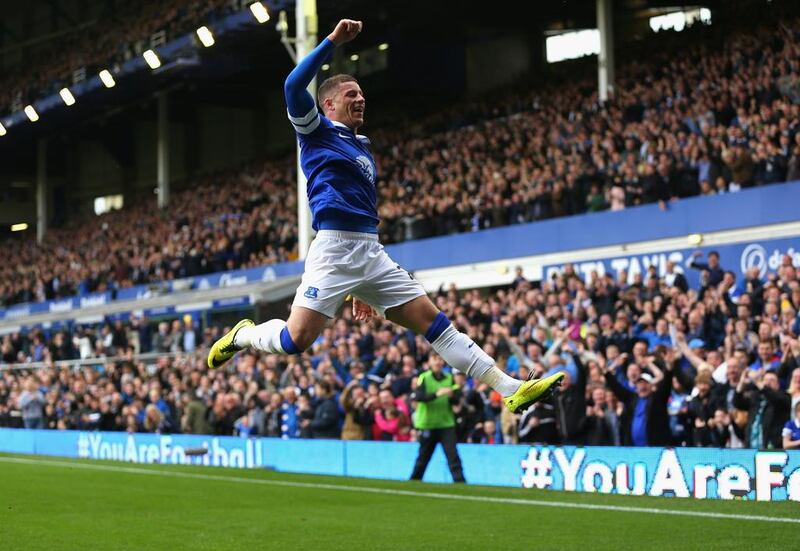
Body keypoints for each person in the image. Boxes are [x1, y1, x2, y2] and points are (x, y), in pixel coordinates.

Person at [206, 18, 563, 415]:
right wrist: (332, 41)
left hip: (370, 252)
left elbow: (362, 212)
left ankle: (510, 387)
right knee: (295, 341)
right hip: (334, 250)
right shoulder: (315, 131)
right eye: (350, 94)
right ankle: (243, 337)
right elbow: (292, 86)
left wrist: (361, 287)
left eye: (361, 94)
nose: (360, 99)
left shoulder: (361, 146)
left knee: (436, 324)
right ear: (328, 104)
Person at [409, 357, 465, 482]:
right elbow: (418, 397)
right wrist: (436, 394)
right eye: (435, 360)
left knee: (453, 456)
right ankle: (414, 480)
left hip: (446, 423)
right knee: (423, 457)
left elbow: (456, 399)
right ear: (429, 362)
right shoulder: (424, 377)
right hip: (428, 423)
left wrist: (452, 396)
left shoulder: (449, 378)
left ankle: (460, 482)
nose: (438, 363)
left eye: (440, 360)